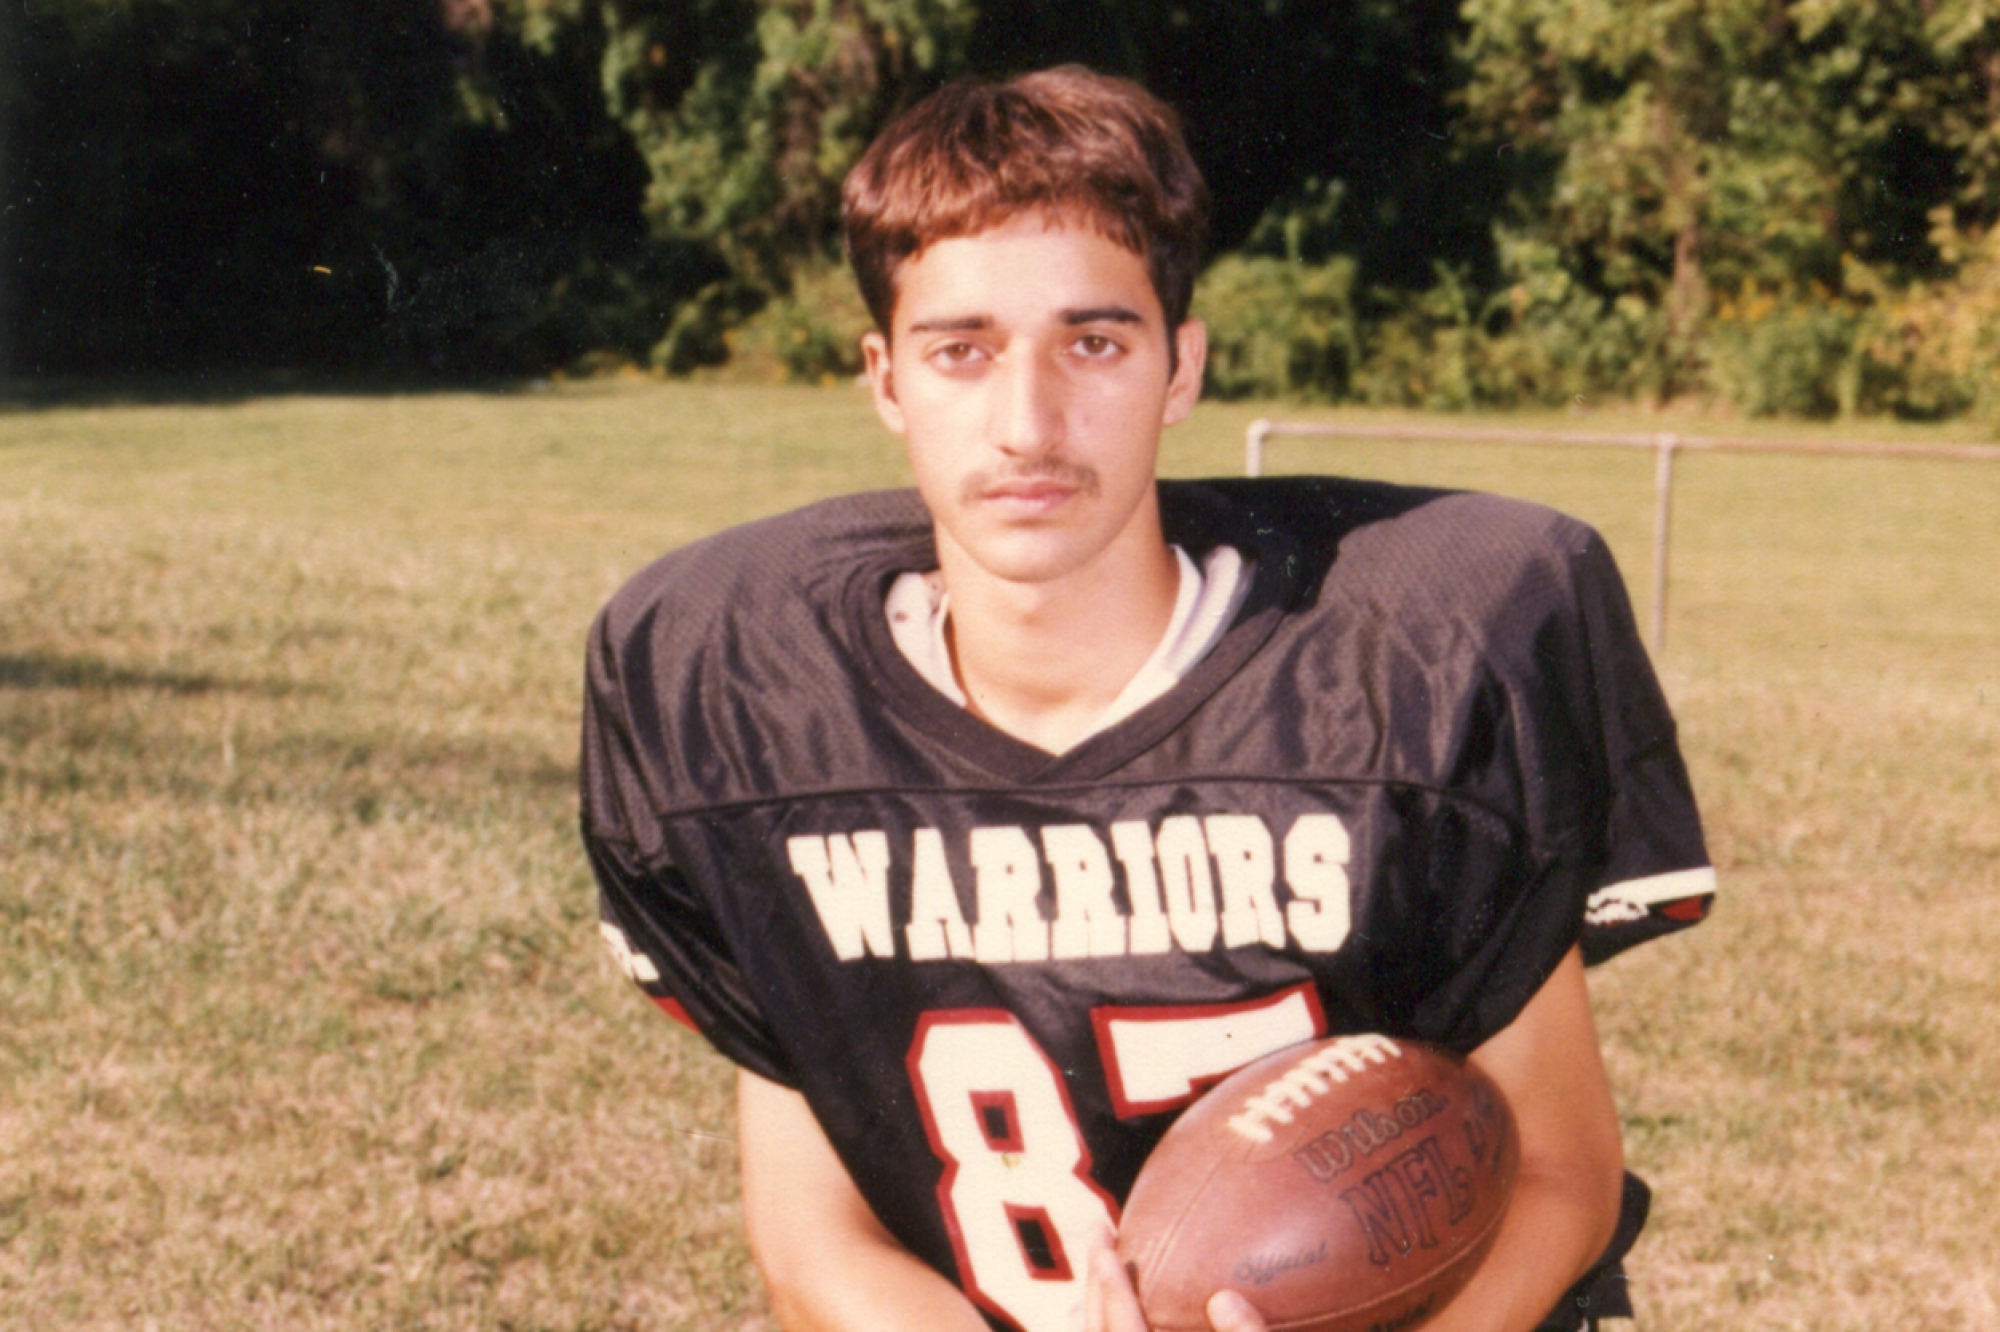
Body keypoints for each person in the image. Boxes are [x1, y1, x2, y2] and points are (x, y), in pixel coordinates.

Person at [581, 65, 1714, 1332]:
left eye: (1094, 341)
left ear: (1181, 369)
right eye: (961, 350)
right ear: (885, 379)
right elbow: (810, 1237)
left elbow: (1560, 1172)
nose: (1028, 420)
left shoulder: (1418, 661)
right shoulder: (746, 694)